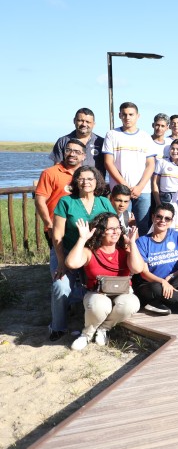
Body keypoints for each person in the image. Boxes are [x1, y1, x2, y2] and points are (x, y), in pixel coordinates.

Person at [51, 166, 116, 340]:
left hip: (94, 254)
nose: (85, 182)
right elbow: (57, 235)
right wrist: (61, 262)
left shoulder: (104, 202)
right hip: (67, 251)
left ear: (97, 181)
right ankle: (58, 327)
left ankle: (100, 325)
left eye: (90, 179)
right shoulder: (66, 202)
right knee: (61, 286)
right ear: (75, 181)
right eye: (81, 178)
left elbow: (114, 227)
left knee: (98, 287)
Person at [66, 214, 145, 351]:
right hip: (97, 293)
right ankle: (87, 334)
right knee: (100, 304)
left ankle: (103, 329)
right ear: (101, 231)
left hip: (122, 293)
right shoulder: (89, 252)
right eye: (111, 229)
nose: (116, 231)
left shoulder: (124, 251)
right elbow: (71, 263)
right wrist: (82, 239)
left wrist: (132, 243)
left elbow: (138, 269)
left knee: (132, 303)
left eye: (118, 228)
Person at [35, 139, 86, 340]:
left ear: (83, 156)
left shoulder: (85, 175)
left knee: (81, 273)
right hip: (57, 232)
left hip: (81, 234)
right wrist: (49, 224)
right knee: (60, 271)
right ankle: (60, 319)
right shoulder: (50, 173)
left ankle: (74, 304)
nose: (72, 154)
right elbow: (40, 199)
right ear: (64, 152)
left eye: (77, 151)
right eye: (69, 150)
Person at [134, 204, 178, 316]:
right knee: (157, 288)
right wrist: (162, 282)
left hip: (173, 280)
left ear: (171, 221)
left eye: (167, 218)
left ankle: (159, 301)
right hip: (151, 284)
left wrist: (171, 277)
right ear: (153, 217)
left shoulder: (177, 236)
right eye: (159, 217)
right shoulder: (142, 242)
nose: (162, 221)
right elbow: (144, 273)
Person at [103, 102, 158, 234]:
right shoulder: (112, 134)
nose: (127, 117)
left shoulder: (145, 136)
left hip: (143, 191)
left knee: (143, 226)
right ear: (119, 115)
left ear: (138, 116)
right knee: (121, 225)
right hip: (120, 190)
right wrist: (125, 186)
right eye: (124, 114)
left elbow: (150, 164)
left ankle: (140, 248)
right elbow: (108, 163)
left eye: (131, 114)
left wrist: (140, 186)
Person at [50, 108, 106, 176]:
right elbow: (57, 167)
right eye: (80, 120)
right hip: (69, 181)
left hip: (95, 182)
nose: (84, 124)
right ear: (74, 121)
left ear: (93, 124)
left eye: (88, 122)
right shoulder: (62, 141)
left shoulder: (102, 142)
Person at [153, 139, 178, 207]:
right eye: (172, 149)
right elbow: (155, 182)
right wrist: (158, 202)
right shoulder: (162, 162)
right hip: (164, 197)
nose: (175, 151)